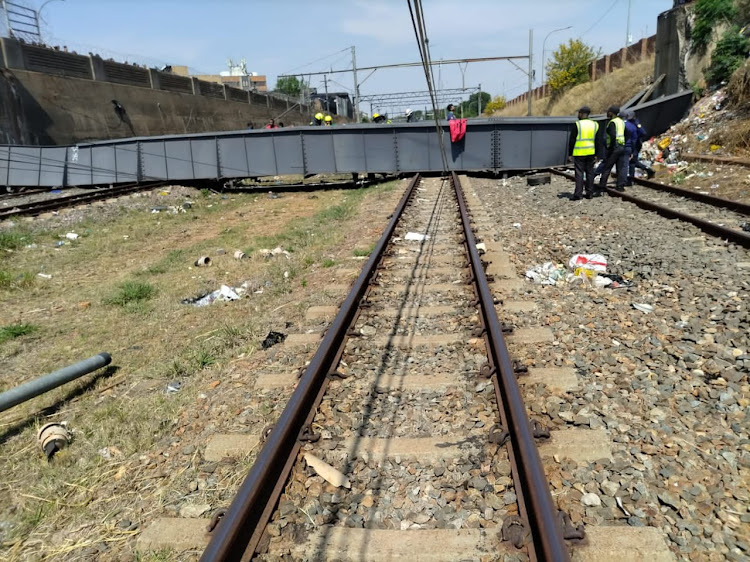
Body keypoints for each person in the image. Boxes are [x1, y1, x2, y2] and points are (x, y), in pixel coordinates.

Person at [567, 106, 599, 200]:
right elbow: (598, 140)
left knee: (579, 174)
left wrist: (570, 153)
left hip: (579, 152)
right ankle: (590, 193)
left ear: (581, 114)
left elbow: (572, 140)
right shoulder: (595, 124)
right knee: (590, 173)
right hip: (591, 153)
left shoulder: (577, 124)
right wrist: (597, 154)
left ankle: (578, 194)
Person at [596, 105, 627, 192]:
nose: (607, 113)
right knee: (620, 167)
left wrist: (610, 148)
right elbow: (627, 133)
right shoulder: (621, 122)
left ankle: (601, 186)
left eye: (608, 111)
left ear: (612, 113)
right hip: (622, 146)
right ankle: (620, 186)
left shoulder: (612, 122)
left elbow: (612, 135)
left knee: (607, 167)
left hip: (614, 148)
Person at [623, 110, 655, 184]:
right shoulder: (635, 123)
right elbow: (643, 133)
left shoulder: (632, 124)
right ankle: (647, 170)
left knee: (632, 162)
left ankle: (630, 179)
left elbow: (643, 133)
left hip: (634, 144)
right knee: (633, 161)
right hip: (636, 143)